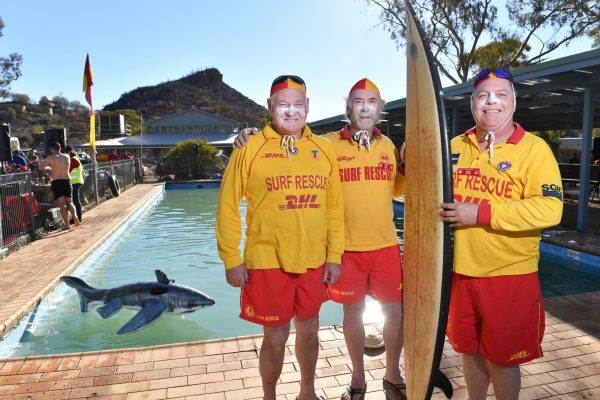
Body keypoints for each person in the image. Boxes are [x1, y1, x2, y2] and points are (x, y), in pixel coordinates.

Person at [234, 78, 407, 400]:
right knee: (349, 314)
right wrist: (250, 137)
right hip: (343, 249)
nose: (365, 106)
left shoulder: (387, 146)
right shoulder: (326, 145)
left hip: (384, 244)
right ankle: (358, 380)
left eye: (372, 101)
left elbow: (395, 189)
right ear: (348, 107)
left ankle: (393, 372)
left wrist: (406, 167)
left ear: (380, 109)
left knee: (394, 313)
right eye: (358, 101)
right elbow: (288, 151)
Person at [216, 75, 344, 400]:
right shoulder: (250, 148)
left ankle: (307, 392)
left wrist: (335, 255)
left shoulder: (324, 149)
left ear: (308, 107)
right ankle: (269, 395)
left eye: (297, 104)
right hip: (267, 262)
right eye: (283, 104)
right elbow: (228, 205)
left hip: (314, 260)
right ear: (270, 106)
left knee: (310, 329)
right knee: (275, 336)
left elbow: (334, 208)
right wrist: (232, 258)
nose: (291, 111)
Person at [440, 68, 563, 400]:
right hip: (459, 273)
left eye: (501, 95)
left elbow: (551, 209)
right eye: (483, 95)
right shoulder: (453, 146)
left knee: (503, 361)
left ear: (514, 101)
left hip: (509, 276)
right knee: (469, 351)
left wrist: (479, 213)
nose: (491, 102)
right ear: (472, 102)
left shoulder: (534, 149)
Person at [39, 142, 81, 230]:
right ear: (60, 148)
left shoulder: (51, 157)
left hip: (57, 181)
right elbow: (62, 167)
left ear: (52, 149)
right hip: (67, 180)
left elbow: (41, 168)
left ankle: (67, 224)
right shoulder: (67, 156)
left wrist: (45, 165)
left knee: (62, 205)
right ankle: (75, 216)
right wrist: (51, 167)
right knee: (70, 202)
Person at [65, 145, 84, 222]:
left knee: (75, 201)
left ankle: (77, 218)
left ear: (70, 151)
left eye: (66, 151)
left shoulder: (73, 159)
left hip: (75, 182)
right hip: (76, 182)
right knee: (75, 200)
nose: (65, 153)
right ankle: (77, 217)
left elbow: (68, 170)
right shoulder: (75, 158)